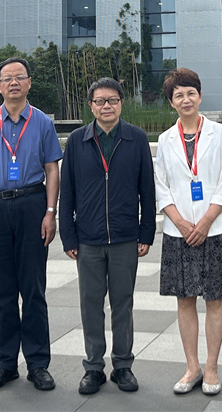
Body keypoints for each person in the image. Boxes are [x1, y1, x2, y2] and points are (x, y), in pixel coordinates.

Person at [0, 57, 63, 391]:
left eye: (19, 77)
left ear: (29, 83)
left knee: (33, 289)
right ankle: (5, 363)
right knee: (2, 290)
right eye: (7, 78)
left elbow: (52, 169)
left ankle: (38, 364)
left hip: (32, 204)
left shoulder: (42, 122)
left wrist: (50, 212)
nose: (13, 83)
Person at [58, 77, 156, 395]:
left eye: (112, 100)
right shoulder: (77, 141)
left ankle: (123, 365)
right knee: (90, 304)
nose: (106, 106)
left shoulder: (136, 138)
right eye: (99, 101)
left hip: (126, 237)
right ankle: (93, 367)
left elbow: (147, 190)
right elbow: (67, 192)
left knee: (123, 303)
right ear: (91, 106)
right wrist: (68, 236)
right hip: (88, 238)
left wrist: (146, 231)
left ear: (121, 103)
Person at [154, 67, 222, 397]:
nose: (186, 99)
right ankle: (192, 367)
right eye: (178, 95)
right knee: (185, 299)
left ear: (200, 96)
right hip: (179, 231)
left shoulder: (219, 134)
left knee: (215, 299)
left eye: (191, 92)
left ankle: (212, 367)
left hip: (215, 229)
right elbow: (161, 186)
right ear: (171, 102)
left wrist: (205, 222)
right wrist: (179, 222)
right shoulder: (166, 139)